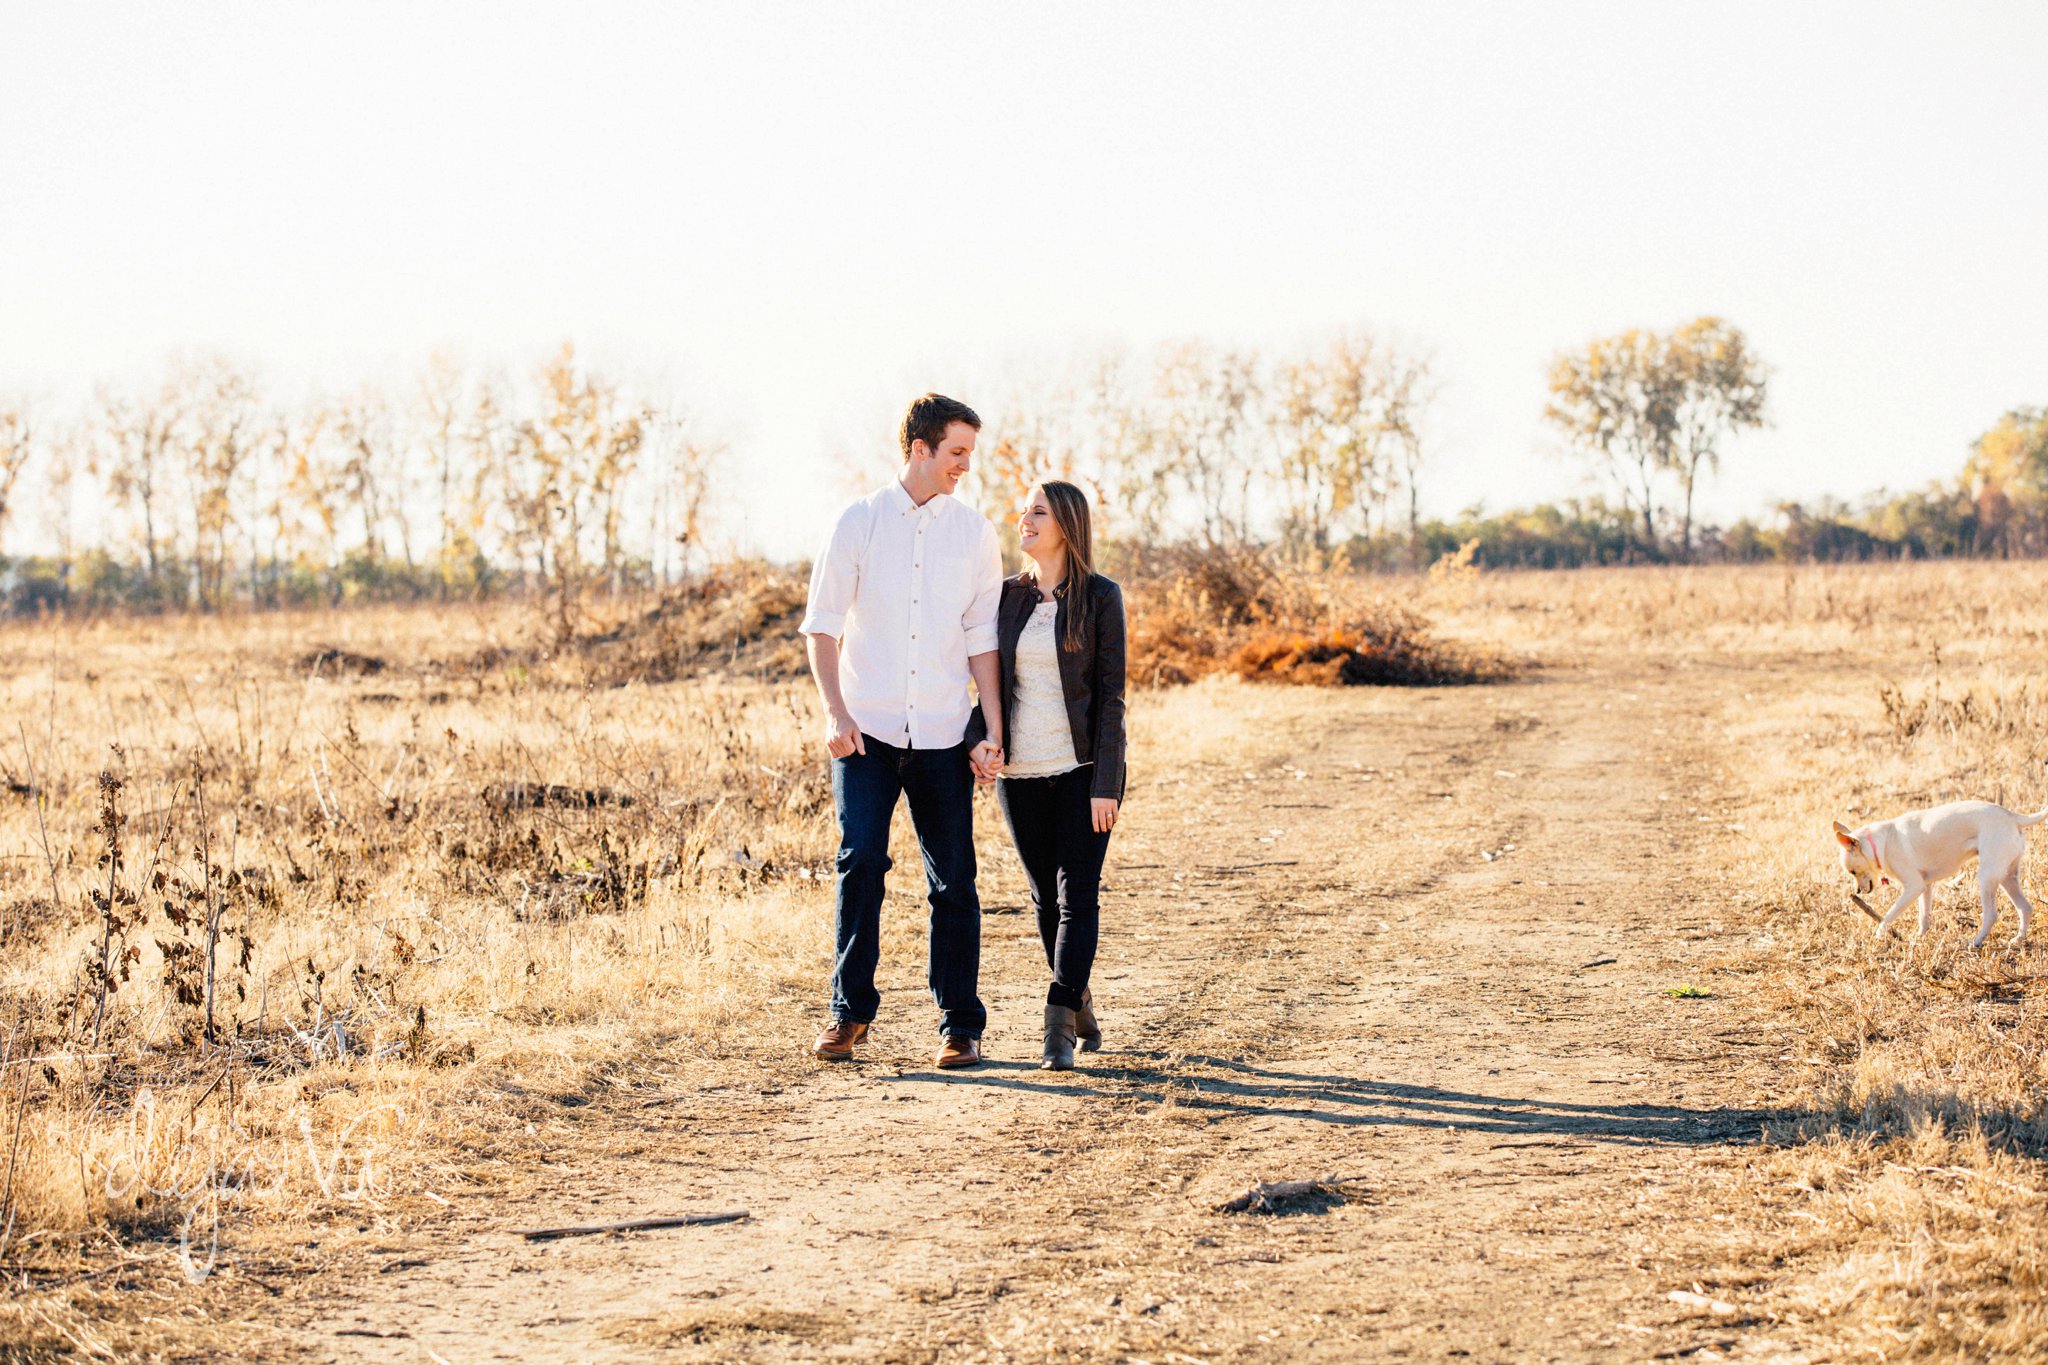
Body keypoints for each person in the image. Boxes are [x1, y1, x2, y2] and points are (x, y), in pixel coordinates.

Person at [799, 394, 1006, 1069]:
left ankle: (959, 1026)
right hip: (868, 732)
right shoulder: (858, 522)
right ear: (919, 448)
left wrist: (990, 729)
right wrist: (837, 712)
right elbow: (823, 624)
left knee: (955, 882)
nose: (964, 467)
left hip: (946, 733)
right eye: (956, 453)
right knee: (861, 861)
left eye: (968, 455)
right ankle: (848, 1012)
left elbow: (981, 641)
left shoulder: (974, 534)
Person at [969, 480, 1127, 1070]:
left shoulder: (1102, 597)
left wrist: (1107, 782)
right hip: (1022, 773)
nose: (1023, 519)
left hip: (1083, 772)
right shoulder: (1004, 598)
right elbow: (986, 684)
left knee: (1076, 897)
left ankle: (1056, 1023)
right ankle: (1079, 996)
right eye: (1024, 511)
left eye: (1037, 512)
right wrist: (977, 742)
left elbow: (1111, 698)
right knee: (1043, 899)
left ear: (1066, 524)